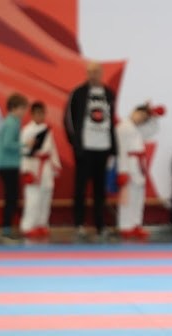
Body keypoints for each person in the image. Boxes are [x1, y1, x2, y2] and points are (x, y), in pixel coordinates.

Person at [64, 61, 119, 239]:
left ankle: (100, 225)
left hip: (103, 148)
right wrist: (76, 143)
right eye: (89, 71)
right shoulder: (78, 93)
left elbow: (112, 120)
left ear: (101, 73)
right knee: (80, 189)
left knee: (100, 190)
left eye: (95, 71)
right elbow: (68, 119)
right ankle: (79, 225)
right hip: (85, 149)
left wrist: (113, 148)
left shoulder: (109, 93)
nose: (92, 74)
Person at [116, 103, 165, 239]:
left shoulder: (137, 128)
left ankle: (135, 224)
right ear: (134, 111)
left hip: (139, 165)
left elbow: (152, 131)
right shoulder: (123, 127)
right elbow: (121, 150)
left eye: (144, 118)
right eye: (141, 115)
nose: (141, 119)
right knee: (128, 197)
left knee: (138, 197)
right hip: (129, 163)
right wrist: (123, 171)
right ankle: (125, 226)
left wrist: (153, 116)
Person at [19, 101, 61, 239]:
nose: (40, 116)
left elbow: (52, 149)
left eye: (42, 113)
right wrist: (26, 171)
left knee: (45, 196)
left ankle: (42, 224)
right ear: (32, 114)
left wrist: (55, 166)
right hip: (33, 166)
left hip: (46, 167)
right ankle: (28, 226)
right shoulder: (26, 131)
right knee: (33, 198)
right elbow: (23, 152)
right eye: (37, 113)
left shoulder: (47, 130)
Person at [0, 93, 29, 239]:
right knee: (11, 197)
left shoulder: (13, 121)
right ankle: (6, 229)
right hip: (7, 165)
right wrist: (25, 144)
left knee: (12, 196)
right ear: (14, 108)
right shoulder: (11, 123)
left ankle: (7, 228)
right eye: (22, 108)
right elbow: (8, 144)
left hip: (9, 164)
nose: (24, 112)